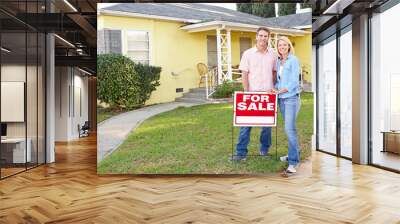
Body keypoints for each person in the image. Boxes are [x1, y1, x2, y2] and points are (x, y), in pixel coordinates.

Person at [231, 27, 277, 162]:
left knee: (267, 127)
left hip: (268, 96)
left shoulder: (273, 54)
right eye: (261, 36)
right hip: (251, 94)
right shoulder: (248, 54)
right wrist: (246, 92)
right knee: (245, 125)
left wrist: (271, 86)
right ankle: (241, 153)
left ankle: (264, 150)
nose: (263, 38)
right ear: (256, 37)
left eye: (265, 36)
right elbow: (244, 73)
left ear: (268, 37)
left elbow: (274, 72)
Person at [273, 36, 301, 173]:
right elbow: (280, 80)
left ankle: (293, 162)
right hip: (281, 99)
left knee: (290, 129)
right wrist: (275, 88)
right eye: (280, 45)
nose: (282, 47)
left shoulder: (294, 60)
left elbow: (294, 81)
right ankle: (291, 154)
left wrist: (281, 90)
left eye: (285, 45)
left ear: (289, 46)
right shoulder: (279, 61)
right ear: (277, 48)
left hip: (291, 98)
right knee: (287, 129)